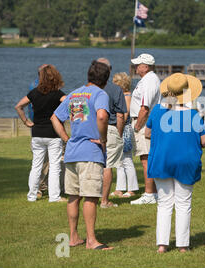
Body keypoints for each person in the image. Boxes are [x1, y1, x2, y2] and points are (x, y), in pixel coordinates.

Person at [50, 60, 113, 250]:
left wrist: (66, 138)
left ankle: (73, 237)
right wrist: (102, 139)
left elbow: (55, 117)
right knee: (91, 197)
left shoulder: (75, 93)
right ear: (106, 79)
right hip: (90, 153)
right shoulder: (100, 94)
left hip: (72, 152)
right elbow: (102, 116)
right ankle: (91, 241)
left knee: (73, 196)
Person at [146, 73, 205, 253]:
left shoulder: (157, 111)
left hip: (162, 160)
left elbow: (147, 133)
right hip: (185, 162)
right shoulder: (193, 114)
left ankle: (162, 245)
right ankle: (183, 245)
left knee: (164, 203)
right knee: (183, 203)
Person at [15, 64, 66, 203]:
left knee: (36, 166)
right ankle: (54, 197)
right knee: (55, 166)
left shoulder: (34, 93)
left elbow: (18, 106)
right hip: (53, 134)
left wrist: (26, 121)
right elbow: (70, 103)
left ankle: (31, 196)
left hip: (37, 133)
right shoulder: (58, 94)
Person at [129, 53, 161, 205]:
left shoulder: (149, 81)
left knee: (145, 157)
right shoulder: (148, 79)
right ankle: (153, 192)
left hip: (144, 122)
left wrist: (137, 126)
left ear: (145, 66)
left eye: (138, 65)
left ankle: (149, 194)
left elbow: (145, 107)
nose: (136, 67)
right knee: (146, 157)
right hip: (145, 121)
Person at [96, 58, 127, 209]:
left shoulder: (86, 89)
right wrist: (119, 134)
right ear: (109, 70)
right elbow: (121, 115)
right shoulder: (116, 89)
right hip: (111, 127)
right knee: (108, 165)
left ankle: (91, 196)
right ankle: (104, 201)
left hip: (92, 129)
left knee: (93, 164)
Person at [111, 72, 139, 198]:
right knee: (119, 161)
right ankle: (120, 188)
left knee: (127, 159)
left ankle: (132, 188)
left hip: (125, 129)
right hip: (119, 128)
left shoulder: (127, 96)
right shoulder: (122, 95)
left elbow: (125, 114)